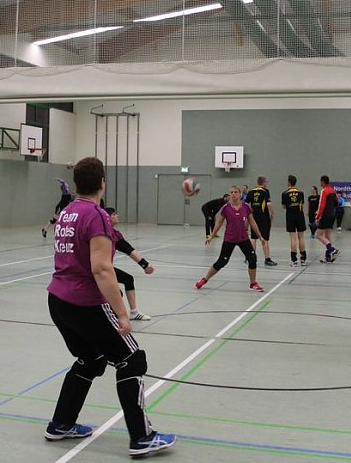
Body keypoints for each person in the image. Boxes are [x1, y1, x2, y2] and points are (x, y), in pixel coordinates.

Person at [44, 157, 175, 456]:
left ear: (77, 183)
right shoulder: (97, 214)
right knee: (132, 358)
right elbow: (102, 269)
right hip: (85, 302)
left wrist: (141, 261)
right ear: (103, 181)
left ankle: (61, 423)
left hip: (58, 300)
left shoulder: (67, 213)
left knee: (90, 360)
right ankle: (142, 437)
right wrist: (122, 313)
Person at [196, 185, 266, 292]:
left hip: (243, 239)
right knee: (221, 262)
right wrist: (211, 235)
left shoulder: (246, 207)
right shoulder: (226, 208)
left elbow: (252, 222)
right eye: (231, 192)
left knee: (252, 259)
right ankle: (204, 279)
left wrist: (260, 237)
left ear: (240, 194)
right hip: (229, 239)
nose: (233, 194)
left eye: (235, 192)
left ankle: (253, 283)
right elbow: (219, 222)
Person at [105, 207, 155, 321]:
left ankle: (134, 312)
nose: (117, 216)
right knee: (116, 293)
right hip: (94, 270)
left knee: (128, 279)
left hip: (107, 268)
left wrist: (145, 265)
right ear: (107, 217)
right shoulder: (103, 233)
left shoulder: (115, 234)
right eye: (114, 214)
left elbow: (129, 249)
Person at [247, 176, 277, 267]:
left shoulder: (251, 192)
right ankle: (267, 259)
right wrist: (272, 213)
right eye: (266, 182)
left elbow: (247, 204)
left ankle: (251, 257)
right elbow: (268, 203)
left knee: (253, 237)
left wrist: (248, 217)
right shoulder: (265, 191)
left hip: (253, 217)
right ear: (263, 182)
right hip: (263, 217)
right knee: (265, 238)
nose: (267, 184)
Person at [281, 175, 307, 267]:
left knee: (293, 238)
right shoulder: (301, 193)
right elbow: (302, 204)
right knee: (301, 237)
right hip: (300, 215)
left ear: (288, 182)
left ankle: (294, 260)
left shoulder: (285, 193)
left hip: (290, 216)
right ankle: (303, 259)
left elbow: (284, 206)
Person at [314, 175, 340, 262]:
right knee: (327, 235)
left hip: (325, 215)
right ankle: (329, 256)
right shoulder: (333, 191)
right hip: (332, 215)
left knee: (318, 235)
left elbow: (321, 205)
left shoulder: (324, 191)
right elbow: (337, 203)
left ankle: (332, 250)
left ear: (322, 182)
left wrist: (317, 217)